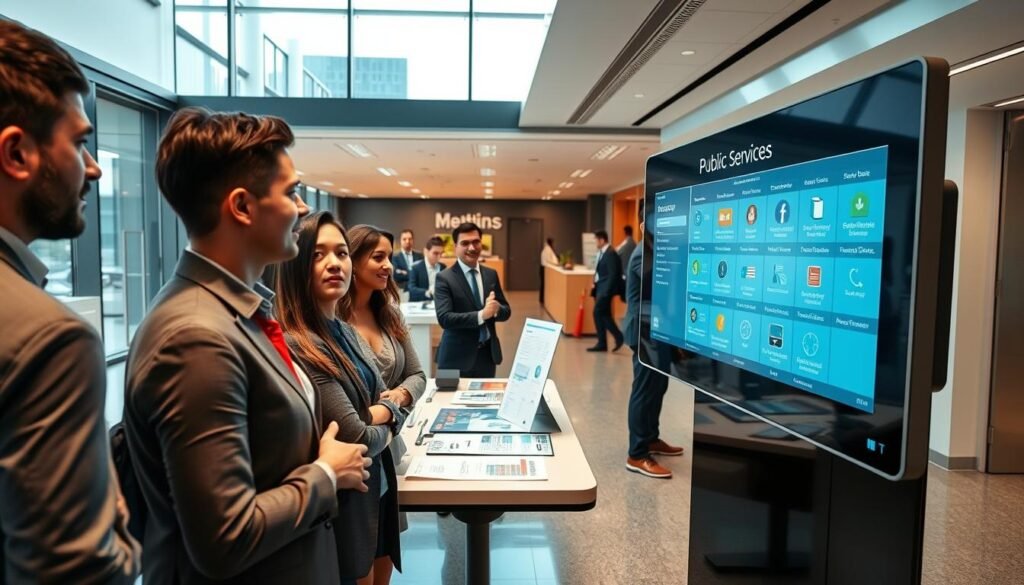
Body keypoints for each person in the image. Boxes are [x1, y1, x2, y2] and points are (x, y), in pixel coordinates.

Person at [124, 107, 372, 585]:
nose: (302, 209)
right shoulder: (196, 336)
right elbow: (225, 536)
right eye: (291, 192)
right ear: (241, 207)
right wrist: (324, 474)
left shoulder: (241, 313)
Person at [0, 20, 140, 583]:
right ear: (16, 153)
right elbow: (78, 571)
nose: (95, 167)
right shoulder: (48, 338)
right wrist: (121, 527)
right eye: (81, 143)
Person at [276, 213, 406, 585]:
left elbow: (385, 393)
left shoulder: (344, 330)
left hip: (377, 491)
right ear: (297, 265)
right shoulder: (303, 344)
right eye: (318, 254)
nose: (335, 263)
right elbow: (357, 436)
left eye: (342, 252)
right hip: (347, 506)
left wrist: (381, 411)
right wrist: (391, 419)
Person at [339, 224, 427, 534]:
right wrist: (391, 412)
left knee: (384, 561)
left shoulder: (389, 314)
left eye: (389, 257)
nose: (389, 265)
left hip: (389, 449)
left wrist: (400, 398)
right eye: (379, 257)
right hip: (354, 460)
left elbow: (417, 375)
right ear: (353, 261)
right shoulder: (333, 321)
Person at [623, 204, 683, 478]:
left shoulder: (657, 249)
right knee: (645, 390)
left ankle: (650, 438)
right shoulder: (642, 256)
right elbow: (659, 289)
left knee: (659, 386)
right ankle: (636, 453)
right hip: (644, 333)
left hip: (659, 330)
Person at [434, 222, 511, 378]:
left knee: (486, 402)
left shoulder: (491, 274)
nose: (472, 247)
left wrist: (496, 309)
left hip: (487, 357)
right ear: (456, 246)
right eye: (465, 243)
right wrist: (481, 315)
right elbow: (445, 319)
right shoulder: (444, 278)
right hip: (455, 358)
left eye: (476, 242)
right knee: (449, 402)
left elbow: (506, 311)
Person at [588, 230, 624, 352]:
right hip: (601, 288)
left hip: (605, 291)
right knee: (605, 314)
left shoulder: (610, 253)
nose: (595, 243)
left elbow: (613, 275)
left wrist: (605, 292)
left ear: (602, 240)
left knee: (597, 313)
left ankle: (611, 338)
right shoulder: (604, 253)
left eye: (596, 240)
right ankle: (608, 341)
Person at [408, 235, 447, 301]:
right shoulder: (416, 268)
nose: (439, 257)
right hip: (420, 304)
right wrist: (428, 292)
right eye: (435, 253)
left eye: (441, 253)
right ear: (426, 251)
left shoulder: (443, 267)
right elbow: (411, 288)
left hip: (439, 304)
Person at [616, 225, 636, 293]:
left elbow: (617, 252)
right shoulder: (633, 243)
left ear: (625, 232)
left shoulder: (627, 242)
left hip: (626, 271)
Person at [539, 237, 559, 304]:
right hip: (544, 268)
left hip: (543, 267)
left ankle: (541, 299)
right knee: (543, 284)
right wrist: (556, 263)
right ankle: (542, 299)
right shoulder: (548, 250)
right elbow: (550, 260)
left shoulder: (546, 249)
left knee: (543, 284)